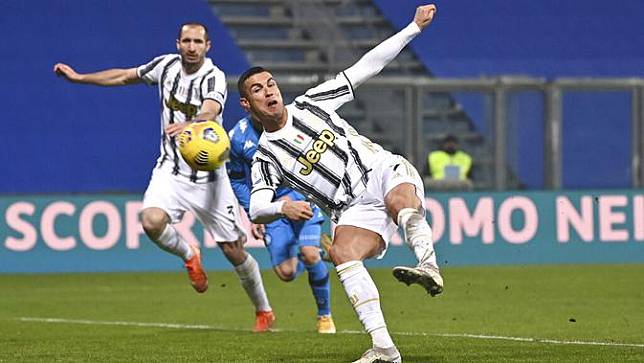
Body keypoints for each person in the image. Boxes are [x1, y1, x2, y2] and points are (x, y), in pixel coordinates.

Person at [238, 4, 442, 362]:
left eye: (270, 83)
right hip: (350, 207)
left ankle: (428, 264)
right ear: (247, 103)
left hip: (378, 170)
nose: (269, 91)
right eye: (258, 89)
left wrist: (413, 28)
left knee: (400, 205)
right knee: (342, 253)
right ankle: (384, 348)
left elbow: (366, 66)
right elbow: (256, 208)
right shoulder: (266, 156)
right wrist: (281, 206)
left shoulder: (312, 103)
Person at [53, 22, 275, 332]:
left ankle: (263, 310)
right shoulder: (165, 66)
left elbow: (211, 109)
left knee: (233, 250)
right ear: (178, 43)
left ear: (208, 46)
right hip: (170, 170)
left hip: (211, 179)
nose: (192, 46)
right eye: (186, 40)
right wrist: (80, 77)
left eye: (198, 41)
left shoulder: (213, 77)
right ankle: (189, 253)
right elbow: (123, 76)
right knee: (151, 220)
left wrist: (192, 124)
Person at [227, 116, 336, 334]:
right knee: (286, 273)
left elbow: (314, 162)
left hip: (301, 199)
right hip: (272, 207)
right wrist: (254, 212)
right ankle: (317, 254)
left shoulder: (294, 121)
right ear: (246, 104)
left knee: (309, 254)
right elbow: (237, 179)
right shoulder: (237, 138)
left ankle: (325, 316)